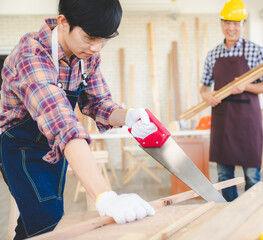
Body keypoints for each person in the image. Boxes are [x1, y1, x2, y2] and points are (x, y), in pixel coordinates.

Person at [0, 0, 157, 238]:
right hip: (19, 148)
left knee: (38, 220)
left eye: (104, 40)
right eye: (90, 38)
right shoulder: (31, 54)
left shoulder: (88, 56)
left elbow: (99, 103)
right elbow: (62, 122)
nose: (97, 47)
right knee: (48, 223)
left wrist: (129, 116)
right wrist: (105, 196)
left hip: (54, 148)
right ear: (64, 23)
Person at [200, 0, 263, 202]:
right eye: (227, 23)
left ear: (244, 25)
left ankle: (252, 214)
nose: (231, 28)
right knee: (224, 176)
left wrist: (246, 86)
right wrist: (206, 96)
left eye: (236, 23)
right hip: (223, 121)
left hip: (247, 122)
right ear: (221, 23)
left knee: (251, 176)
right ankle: (229, 214)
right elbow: (204, 87)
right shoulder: (213, 54)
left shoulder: (256, 51)